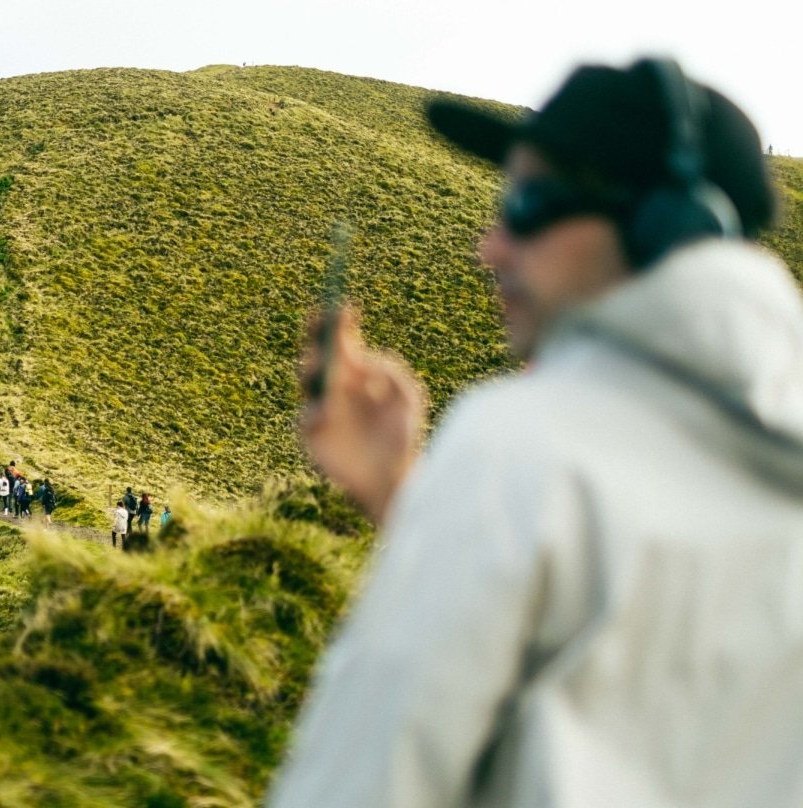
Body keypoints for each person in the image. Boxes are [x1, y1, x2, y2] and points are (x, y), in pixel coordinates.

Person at [268, 57, 803, 807]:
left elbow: (362, 778)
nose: (493, 246)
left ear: (666, 226)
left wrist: (465, 491)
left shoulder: (517, 444)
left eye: (529, 202)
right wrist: (404, 493)